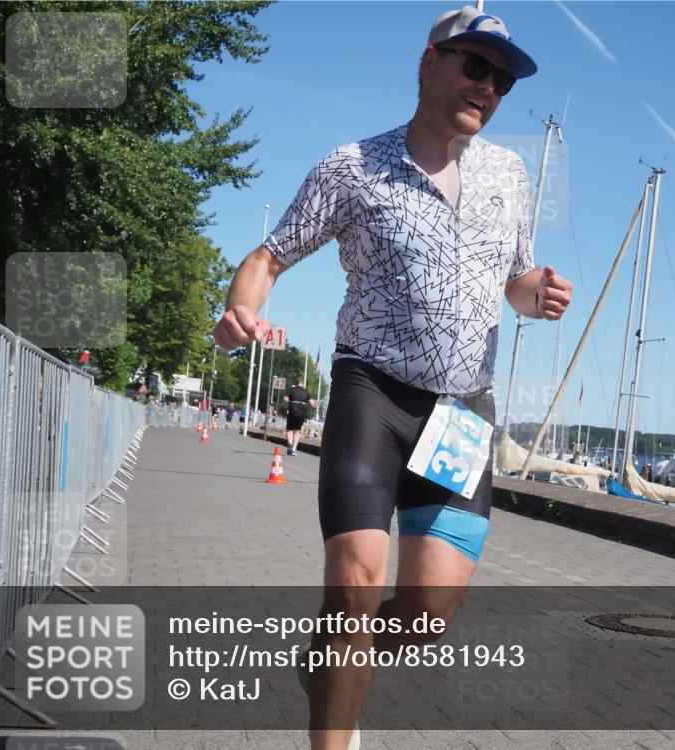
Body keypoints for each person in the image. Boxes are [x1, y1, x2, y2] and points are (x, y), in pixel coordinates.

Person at [213, 6, 571, 748]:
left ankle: (329, 664)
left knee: (427, 619)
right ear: (429, 63)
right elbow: (269, 257)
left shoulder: (509, 174)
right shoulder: (352, 167)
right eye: (476, 66)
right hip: (372, 393)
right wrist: (240, 308)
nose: (489, 86)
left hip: (462, 413)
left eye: (502, 80)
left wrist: (536, 293)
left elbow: (513, 279)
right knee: (352, 590)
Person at [283, 379, 317, 455]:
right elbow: (312, 403)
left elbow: (285, 399)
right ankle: (294, 449)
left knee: (290, 430)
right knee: (297, 431)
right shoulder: (306, 392)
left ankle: (290, 443)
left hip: (293, 410)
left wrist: (288, 403)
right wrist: (311, 406)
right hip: (302, 411)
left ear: (296, 383)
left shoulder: (291, 390)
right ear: (303, 384)